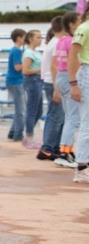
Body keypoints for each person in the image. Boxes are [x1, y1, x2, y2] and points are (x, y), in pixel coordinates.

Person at [55, 12, 81, 168]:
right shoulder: (72, 41)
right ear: (72, 25)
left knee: (69, 117)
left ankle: (67, 150)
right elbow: (74, 61)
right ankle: (64, 153)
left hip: (61, 77)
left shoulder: (61, 40)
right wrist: (75, 83)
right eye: (79, 21)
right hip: (69, 77)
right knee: (73, 119)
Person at [66, 9, 89, 183]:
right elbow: (72, 55)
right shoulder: (84, 28)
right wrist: (73, 83)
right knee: (87, 122)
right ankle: (81, 167)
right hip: (86, 73)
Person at [37, 18, 64, 162]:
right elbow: (54, 67)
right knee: (56, 116)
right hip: (52, 82)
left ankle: (53, 147)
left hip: (50, 81)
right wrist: (56, 88)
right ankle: (47, 147)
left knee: (57, 116)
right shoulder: (56, 43)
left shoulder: (54, 42)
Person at [21, 29, 43, 150]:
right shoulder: (29, 53)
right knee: (32, 110)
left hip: (38, 81)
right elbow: (25, 70)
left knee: (38, 111)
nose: (40, 40)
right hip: (32, 81)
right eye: (38, 37)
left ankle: (28, 134)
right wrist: (41, 70)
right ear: (30, 39)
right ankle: (29, 137)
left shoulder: (36, 52)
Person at [5, 29, 26, 142]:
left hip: (14, 81)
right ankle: (18, 133)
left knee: (19, 108)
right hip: (16, 81)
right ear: (19, 38)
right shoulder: (16, 51)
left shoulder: (15, 50)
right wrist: (28, 63)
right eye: (24, 37)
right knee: (20, 109)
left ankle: (13, 131)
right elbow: (17, 67)